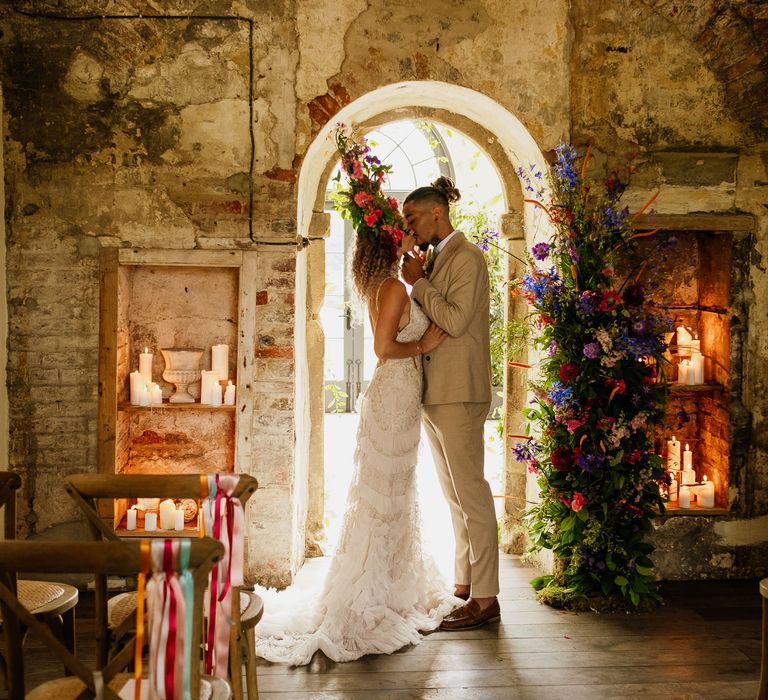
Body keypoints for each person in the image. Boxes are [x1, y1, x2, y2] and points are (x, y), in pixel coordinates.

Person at [255, 224, 458, 666]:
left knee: (393, 494)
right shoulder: (391, 288)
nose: (412, 238)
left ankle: (387, 581)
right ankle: (369, 593)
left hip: (400, 395)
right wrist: (424, 342)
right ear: (391, 245)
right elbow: (386, 349)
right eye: (403, 235)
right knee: (383, 495)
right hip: (393, 395)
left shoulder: (386, 285)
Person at [401, 176, 501, 631]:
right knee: (454, 496)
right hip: (436, 393)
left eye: (412, 217)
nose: (409, 225)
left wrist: (419, 285)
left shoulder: (469, 257)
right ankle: (464, 584)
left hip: (460, 392)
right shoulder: (436, 257)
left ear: (435, 213)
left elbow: (457, 322)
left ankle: (486, 599)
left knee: (473, 495)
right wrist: (420, 277)